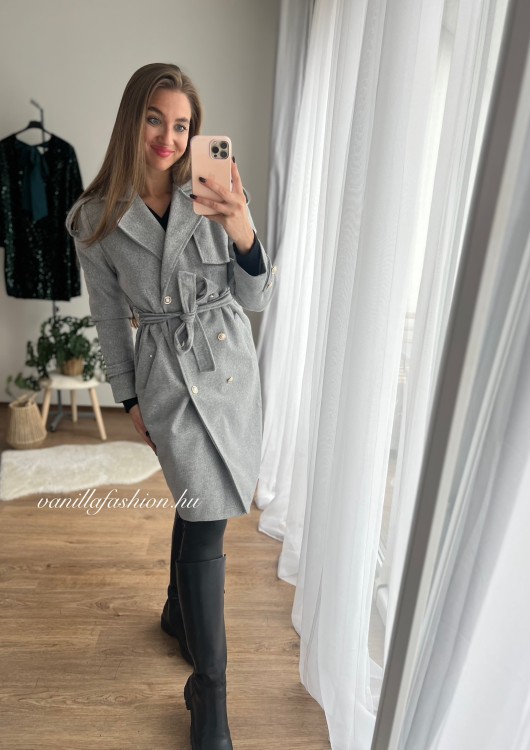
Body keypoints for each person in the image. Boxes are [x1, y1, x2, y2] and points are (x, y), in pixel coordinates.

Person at [65, 62, 278, 749]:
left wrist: (242, 227)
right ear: (133, 119)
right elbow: (108, 319)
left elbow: (254, 298)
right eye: (156, 118)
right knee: (207, 514)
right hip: (165, 378)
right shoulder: (95, 218)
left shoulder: (213, 191)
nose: (169, 136)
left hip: (230, 367)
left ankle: (176, 613)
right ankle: (209, 692)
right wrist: (127, 396)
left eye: (183, 125)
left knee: (203, 505)